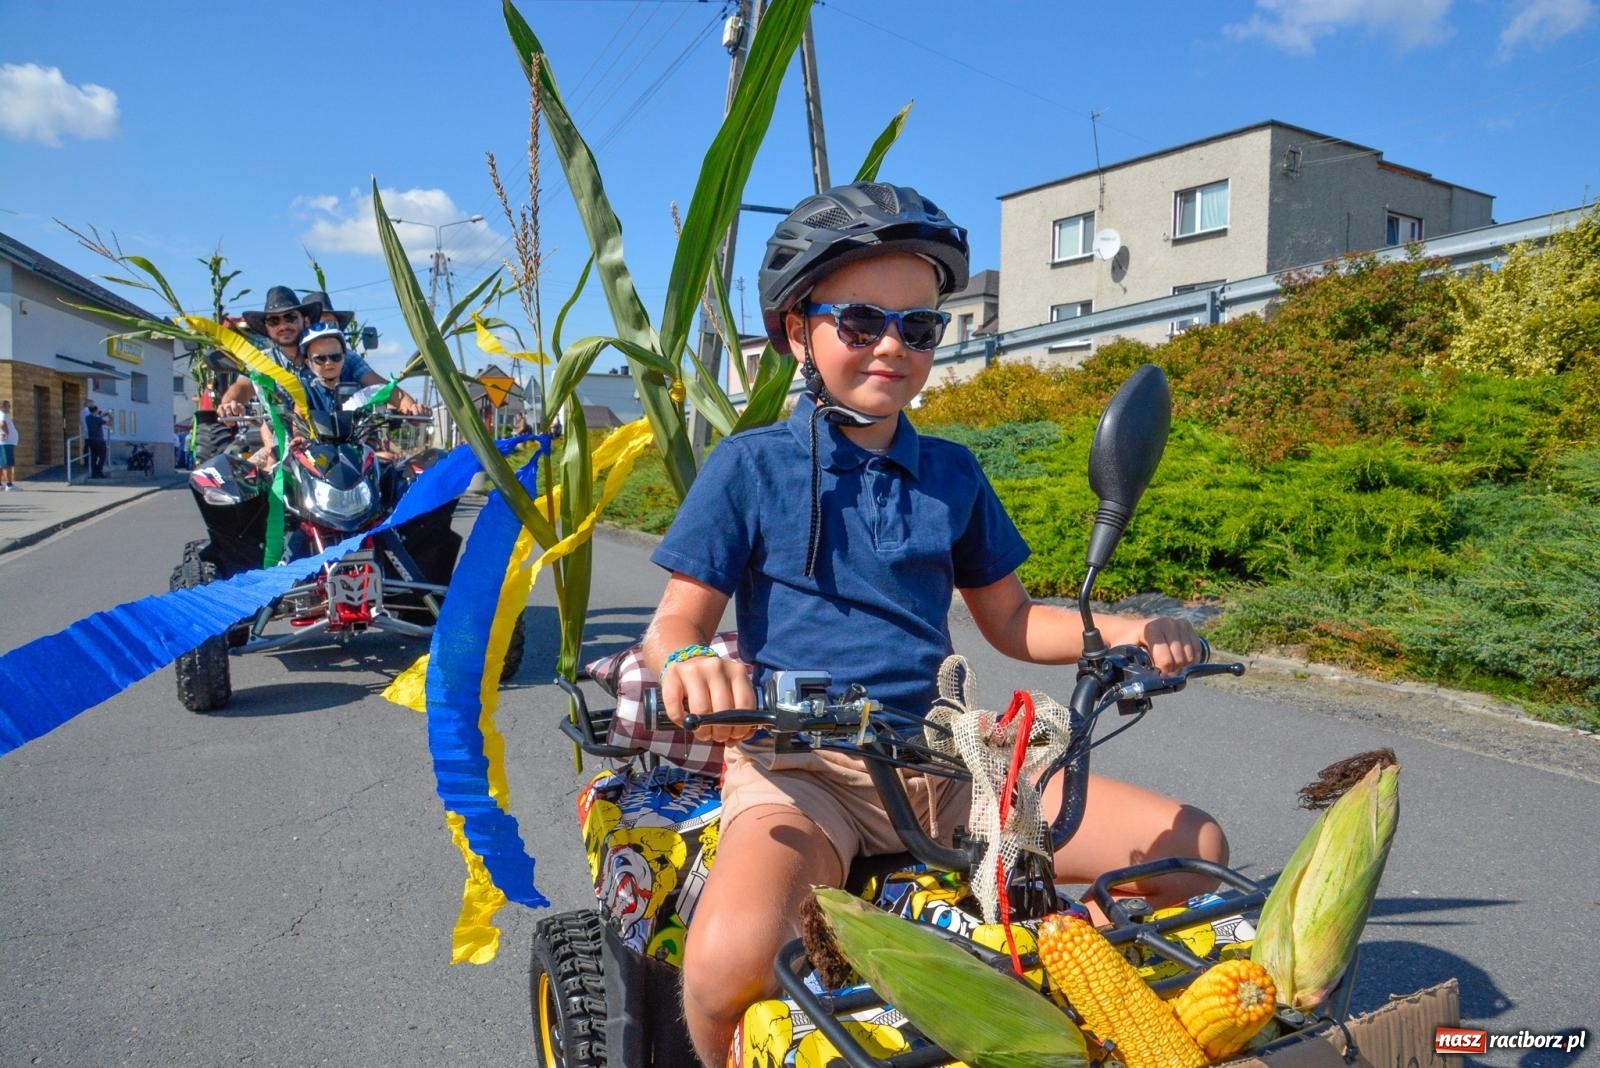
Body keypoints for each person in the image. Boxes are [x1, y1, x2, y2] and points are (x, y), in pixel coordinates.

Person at [641, 182, 1226, 1063]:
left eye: (918, 329)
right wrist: (689, 658)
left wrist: (1135, 629)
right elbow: (676, 620)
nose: (891, 346)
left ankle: (1082, 990)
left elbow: (1017, 623)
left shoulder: (951, 474)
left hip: (949, 764)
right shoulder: (748, 467)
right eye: (861, 322)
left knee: (1193, 847)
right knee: (729, 965)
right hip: (807, 769)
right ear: (799, 332)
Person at [84, 404, 108, 478]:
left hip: (91, 440)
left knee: (94, 457)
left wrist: (99, 415)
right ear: (96, 411)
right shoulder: (98, 419)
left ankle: (94, 474)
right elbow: (109, 423)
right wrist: (110, 415)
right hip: (99, 440)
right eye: (97, 410)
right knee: (102, 456)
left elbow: (94, 419)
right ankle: (99, 471)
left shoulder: (87, 418)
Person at [0, 398, 18, 490]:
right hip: (6, 443)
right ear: (2, 406)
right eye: (8, 406)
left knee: (2, 464)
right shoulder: (2, 415)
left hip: (4, 443)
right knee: (7, 464)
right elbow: (2, 424)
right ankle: (9, 485)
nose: (10, 408)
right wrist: (6, 433)